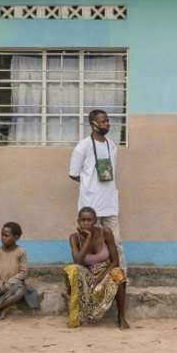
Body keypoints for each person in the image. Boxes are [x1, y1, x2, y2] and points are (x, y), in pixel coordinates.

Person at [69, 109, 125, 271]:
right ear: (93, 124)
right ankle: (90, 277)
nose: (107, 124)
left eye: (107, 121)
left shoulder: (112, 145)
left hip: (110, 203)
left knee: (116, 242)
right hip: (91, 206)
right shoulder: (83, 146)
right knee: (90, 244)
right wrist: (90, 184)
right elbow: (73, 174)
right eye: (103, 122)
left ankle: (120, 277)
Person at [65, 206, 129, 329]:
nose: (86, 223)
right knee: (72, 270)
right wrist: (88, 238)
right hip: (87, 273)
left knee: (118, 273)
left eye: (89, 220)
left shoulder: (105, 232)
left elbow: (115, 261)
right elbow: (78, 261)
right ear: (78, 221)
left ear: (95, 221)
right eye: (83, 220)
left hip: (105, 271)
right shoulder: (74, 237)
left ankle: (121, 317)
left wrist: (101, 276)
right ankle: (76, 313)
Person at [0, 222, 41, 321]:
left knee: (20, 291)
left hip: (13, 285)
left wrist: (9, 283)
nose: (3, 238)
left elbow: (23, 272)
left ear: (16, 237)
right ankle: (6, 306)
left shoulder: (21, 252)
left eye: (6, 236)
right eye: (2, 235)